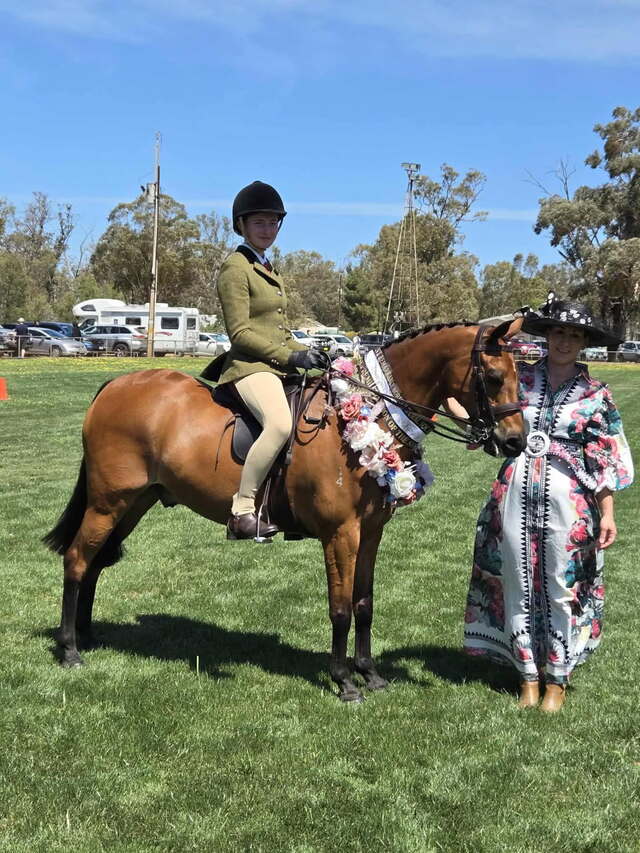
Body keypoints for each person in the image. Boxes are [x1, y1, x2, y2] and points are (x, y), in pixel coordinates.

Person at [463, 296, 634, 712]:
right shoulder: (518, 378)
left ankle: (557, 678)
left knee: (562, 584)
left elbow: (606, 456)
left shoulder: (595, 394)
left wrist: (608, 513)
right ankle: (526, 675)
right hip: (514, 492)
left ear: (584, 342)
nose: (565, 341)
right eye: (559, 332)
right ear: (547, 335)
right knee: (515, 580)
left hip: (569, 501)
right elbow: (484, 414)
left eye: (574, 335)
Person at [215, 181, 326, 540]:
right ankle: (242, 509)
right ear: (242, 225)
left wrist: (311, 352)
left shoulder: (269, 268)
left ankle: (292, 504)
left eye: (273, 222)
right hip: (248, 367)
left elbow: (278, 330)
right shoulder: (236, 268)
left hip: (275, 366)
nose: (267, 229)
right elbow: (241, 333)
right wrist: (290, 356)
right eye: (259, 222)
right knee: (279, 424)